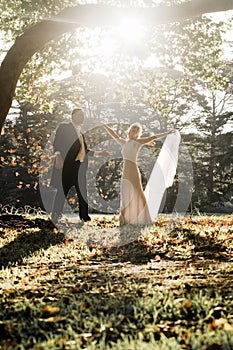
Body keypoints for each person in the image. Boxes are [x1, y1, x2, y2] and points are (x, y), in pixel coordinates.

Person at [102, 122, 175, 226]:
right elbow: (113, 134)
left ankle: (145, 218)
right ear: (130, 130)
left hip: (133, 171)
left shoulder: (139, 142)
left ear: (138, 133)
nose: (134, 131)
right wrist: (104, 125)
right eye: (133, 129)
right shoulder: (124, 142)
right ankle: (125, 219)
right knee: (125, 193)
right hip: (125, 171)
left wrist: (168, 133)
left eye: (137, 130)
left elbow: (153, 137)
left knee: (138, 193)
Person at [50, 108, 110, 224]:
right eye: (79, 115)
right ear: (72, 116)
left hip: (80, 167)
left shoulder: (81, 133)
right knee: (62, 190)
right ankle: (56, 215)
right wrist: (58, 156)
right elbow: (57, 142)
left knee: (82, 191)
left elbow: (84, 150)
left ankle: (84, 217)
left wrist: (100, 153)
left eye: (83, 115)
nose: (82, 117)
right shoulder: (64, 127)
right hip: (67, 165)